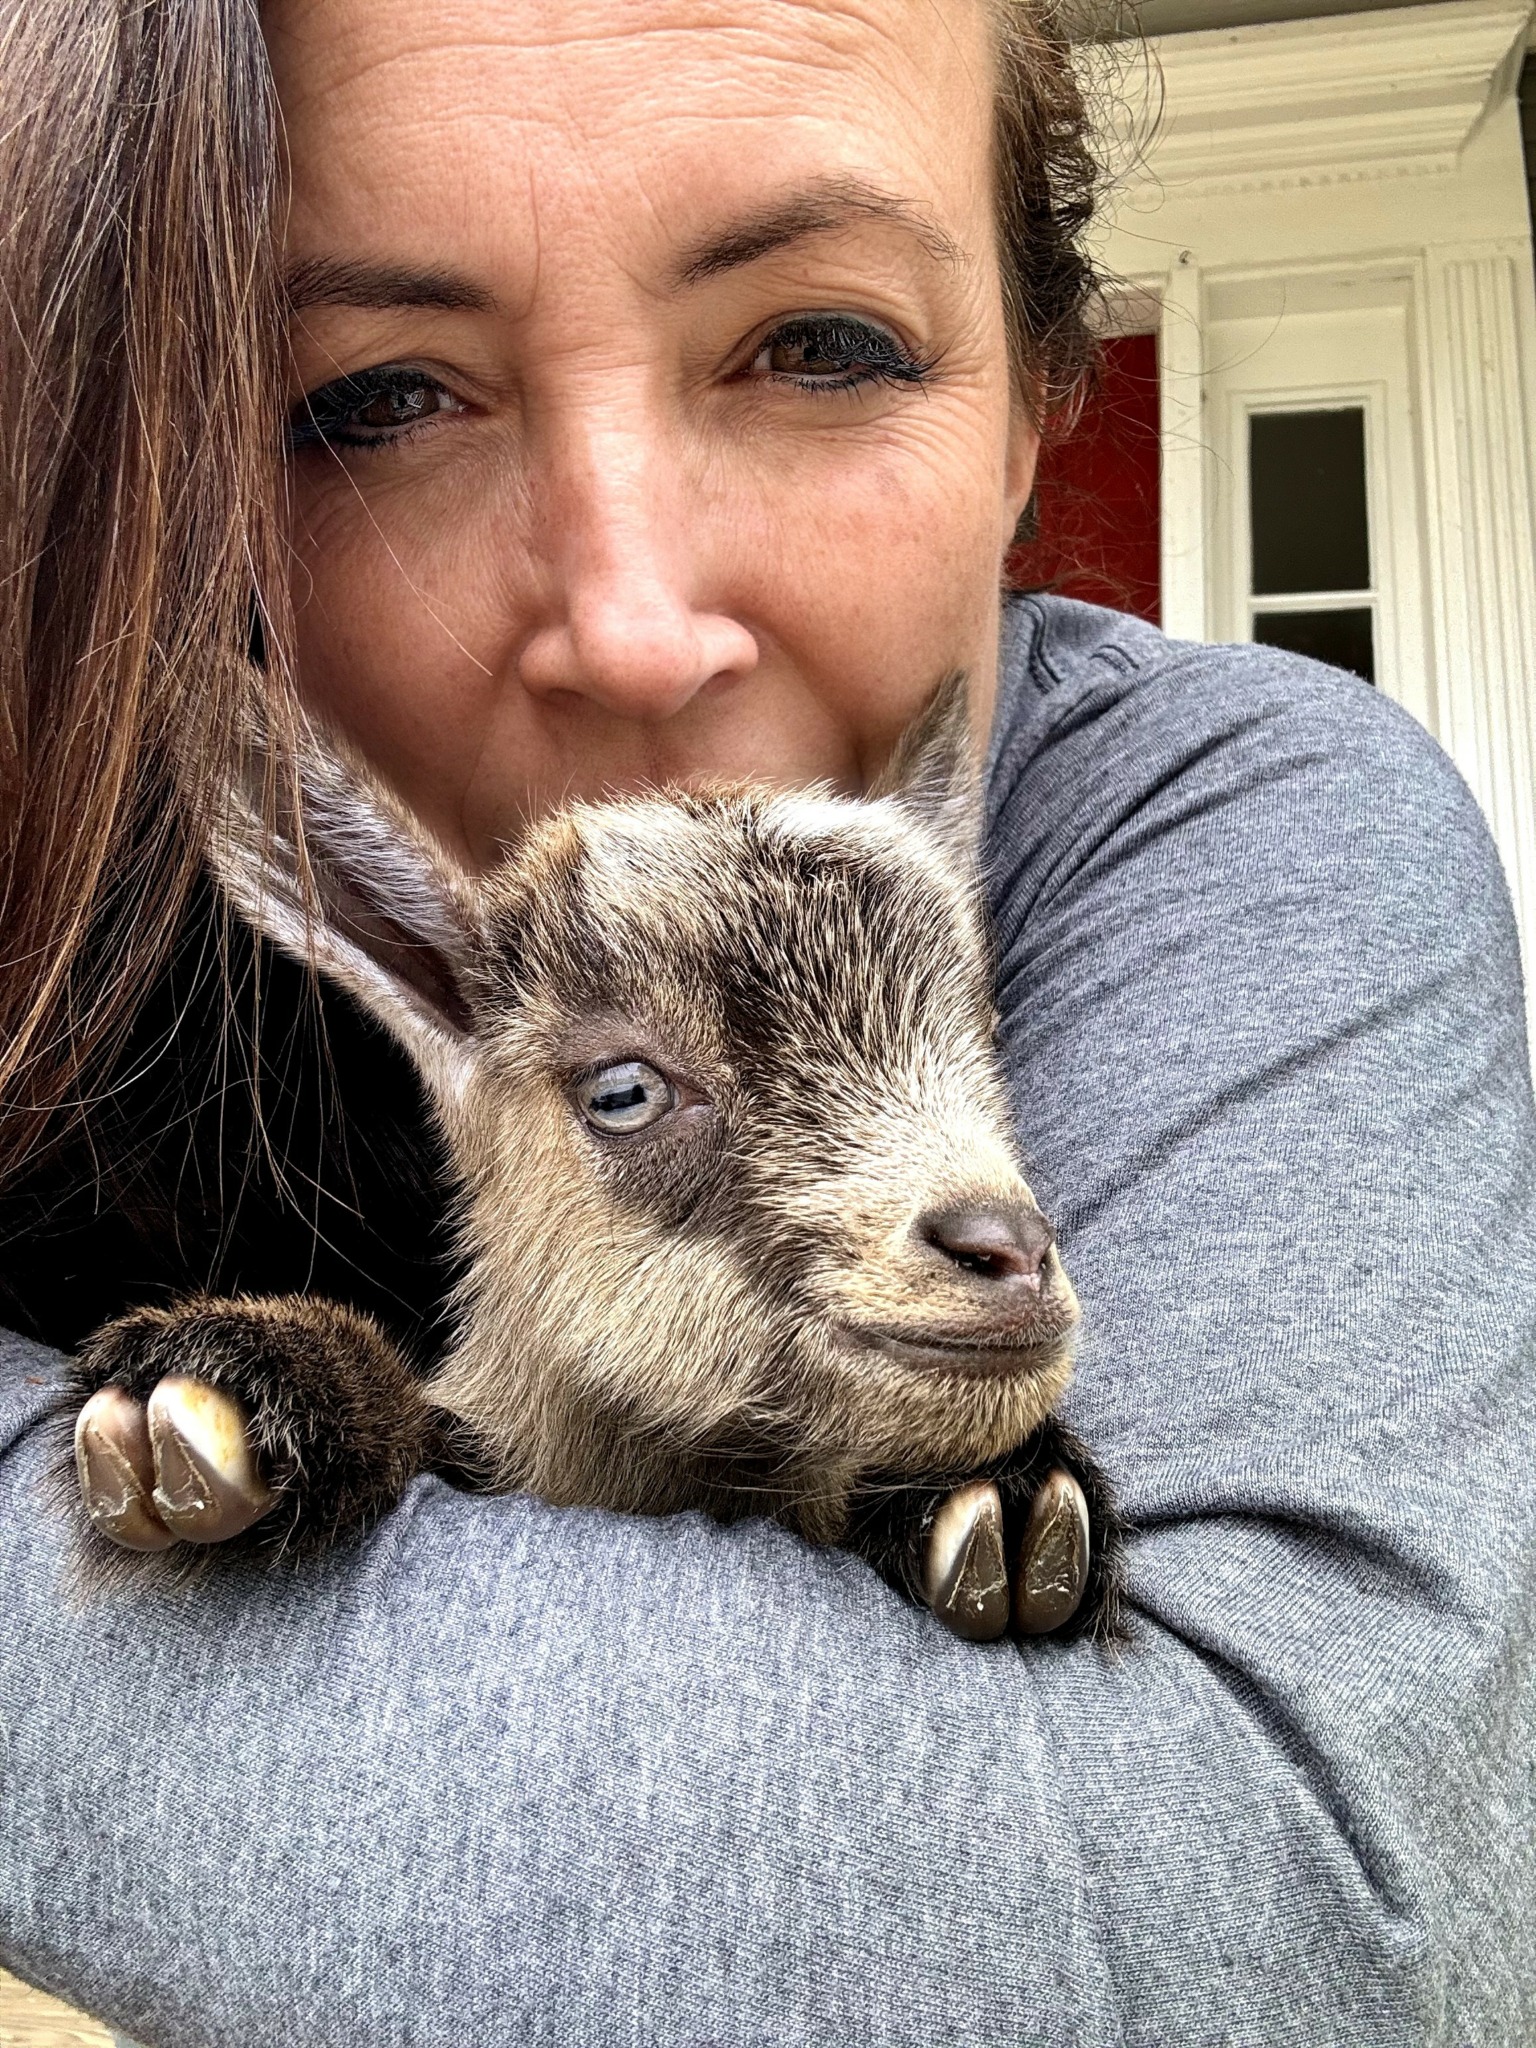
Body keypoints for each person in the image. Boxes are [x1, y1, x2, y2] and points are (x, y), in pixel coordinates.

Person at [1, 0, 1532, 2041]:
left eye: (822, 343)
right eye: (373, 397)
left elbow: (1296, 1916)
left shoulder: (1224, 811)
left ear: (1032, 407)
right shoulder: (106, 915)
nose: (636, 629)